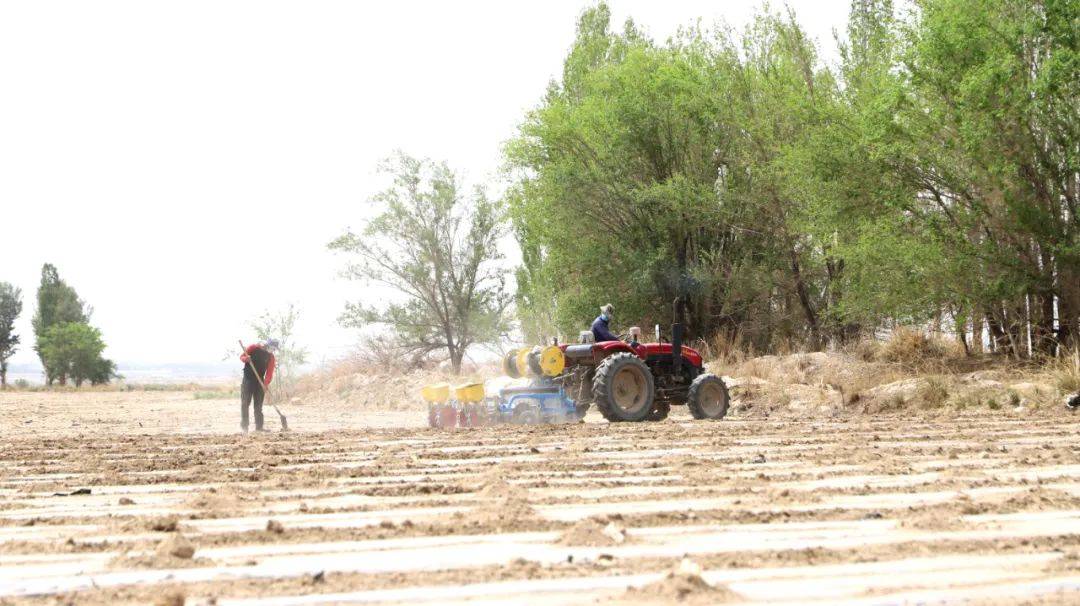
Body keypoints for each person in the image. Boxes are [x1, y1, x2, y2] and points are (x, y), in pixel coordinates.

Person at [239, 339, 278, 432]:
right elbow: (242, 356)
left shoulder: (271, 357)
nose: (273, 350)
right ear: (268, 345)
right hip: (248, 380)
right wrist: (246, 359)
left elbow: (269, 372)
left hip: (260, 382)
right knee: (245, 403)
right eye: (272, 348)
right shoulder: (254, 347)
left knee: (258, 406)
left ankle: (259, 427)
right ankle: (244, 427)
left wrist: (265, 383)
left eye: (274, 349)